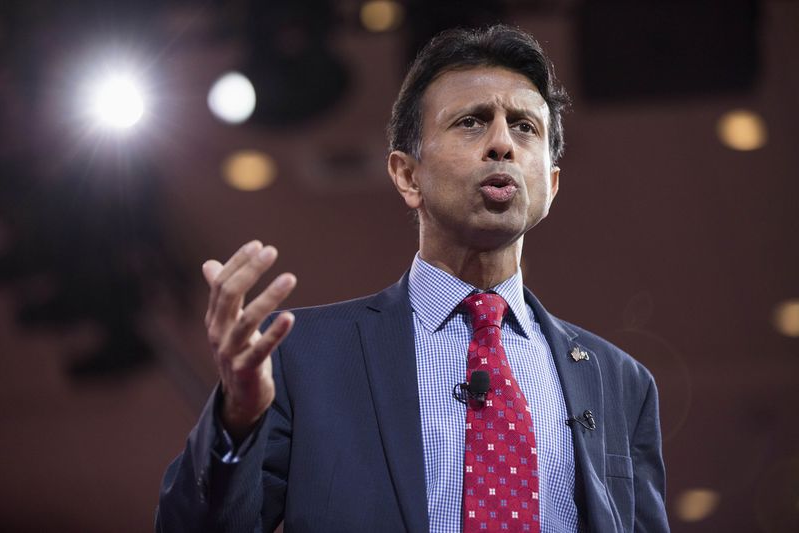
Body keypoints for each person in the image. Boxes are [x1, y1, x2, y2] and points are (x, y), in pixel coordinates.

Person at [157, 25, 669, 532]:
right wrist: (236, 423)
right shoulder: (301, 356)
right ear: (407, 175)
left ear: (551, 185)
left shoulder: (620, 383)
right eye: (471, 122)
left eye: (524, 127)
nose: (501, 144)